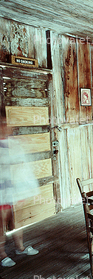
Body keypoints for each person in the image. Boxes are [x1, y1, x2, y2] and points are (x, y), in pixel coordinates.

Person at [0, 108, 40, 267]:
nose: (5, 126)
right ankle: (2, 254)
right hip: (2, 190)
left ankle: (20, 248)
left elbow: (21, 165)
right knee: (1, 223)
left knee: (18, 220)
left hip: (14, 190)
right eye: (1, 124)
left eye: (5, 123)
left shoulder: (11, 143)